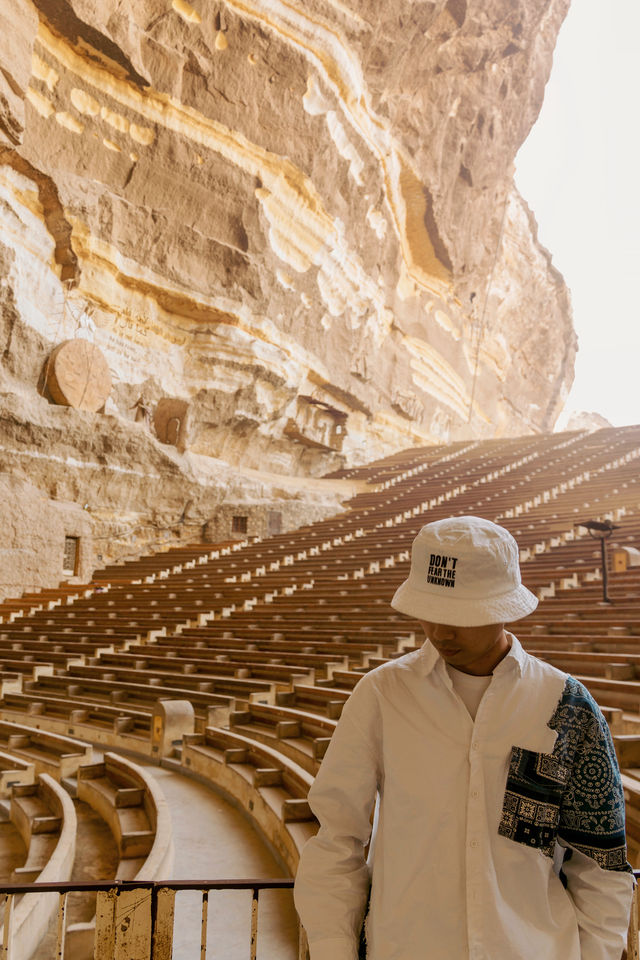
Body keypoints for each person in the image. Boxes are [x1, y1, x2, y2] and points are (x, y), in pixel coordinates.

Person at [294, 516, 634, 960]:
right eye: (429, 611)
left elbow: (600, 866)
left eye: (458, 615)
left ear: (504, 608)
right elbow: (337, 840)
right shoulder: (380, 696)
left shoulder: (567, 706)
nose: (439, 631)